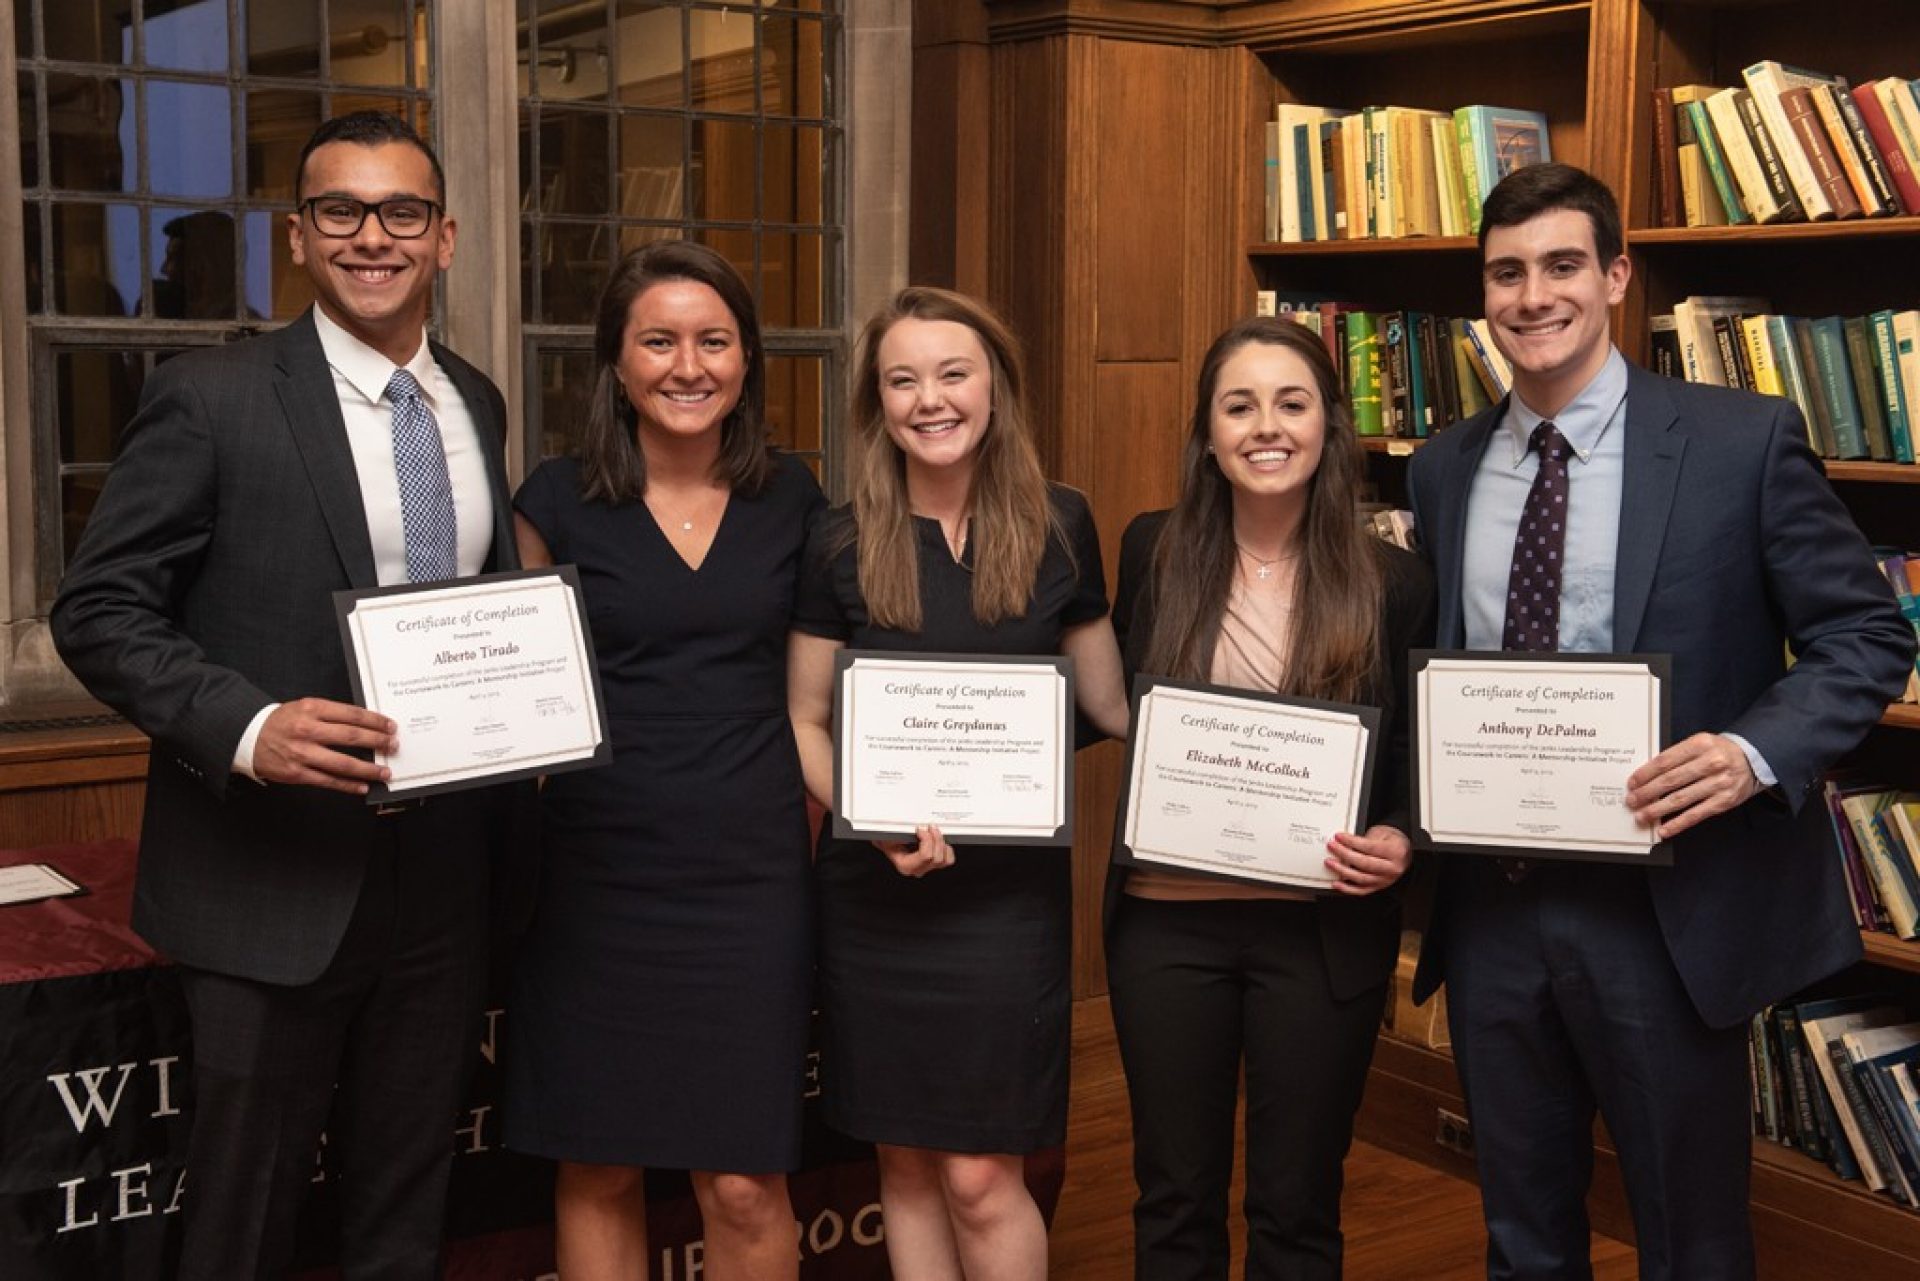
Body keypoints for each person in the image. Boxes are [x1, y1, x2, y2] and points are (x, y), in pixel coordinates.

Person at [1406, 162, 1917, 1280]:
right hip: (1496, 908)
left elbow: (1870, 637)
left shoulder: (1743, 442)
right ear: (1481, 293)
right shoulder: (1444, 466)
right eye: (1506, 273)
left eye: (1561, 266)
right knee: (1522, 1235)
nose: (1532, 297)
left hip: (1666, 915)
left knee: (1691, 1243)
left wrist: (1749, 752)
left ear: (1616, 278)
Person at [51, 110, 528, 1279]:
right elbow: (98, 611)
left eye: (402, 212)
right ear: (299, 237)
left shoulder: (475, 403)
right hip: (268, 881)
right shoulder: (211, 397)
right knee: (242, 1217)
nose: (375, 237)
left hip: (442, 883)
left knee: (404, 1202)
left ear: (447, 238)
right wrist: (252, 728)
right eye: (341, 212)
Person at [787, 286, 1130, 1280]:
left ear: (996, 387)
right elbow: (805, 718)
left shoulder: (1062, 525)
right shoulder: (842, 539)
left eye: (952, 373)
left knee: (982, 1174)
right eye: (902, 380)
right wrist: (871, 816)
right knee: (901, 1164)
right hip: (876, 894)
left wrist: (1253, 762)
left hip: (1004, 907)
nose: (929, 400)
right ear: (878, 402)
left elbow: (1111, 706)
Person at [502, 240, 822, 1280]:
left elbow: (835, 688)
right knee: (598, 1162)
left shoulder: (800, 501)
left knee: (741, 1179)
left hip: (750, 872)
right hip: (597, 873)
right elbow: (508, 692)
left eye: (714, 340)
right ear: (617, 363)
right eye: (659, 341)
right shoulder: (549, 502)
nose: (689, 366)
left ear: (747, 362)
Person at [1107, 316, 1436, 1279]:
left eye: (1292, 403)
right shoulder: (1153, 553)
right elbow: (1108, 696)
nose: (1266, 426)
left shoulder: (1392, 581)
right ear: (1206, 433)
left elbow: (1416, 756)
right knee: (1174, 1197)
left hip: (1321, 936)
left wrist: (1403, 838)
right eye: (1238, 405)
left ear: (1331, 427)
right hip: (1166, 933)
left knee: (1297, 1207)